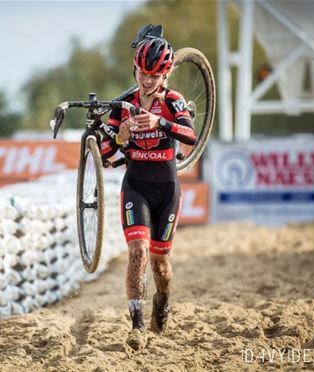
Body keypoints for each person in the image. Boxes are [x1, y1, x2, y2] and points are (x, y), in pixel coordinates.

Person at [100, 35, 197, 350]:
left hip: (167, 189)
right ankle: (137, 325)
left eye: (154, 75)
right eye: (142, 72)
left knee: (160, 265)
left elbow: (190, 136)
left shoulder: (173, 101)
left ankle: (163, 300)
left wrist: (161, 122)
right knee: (138, 252)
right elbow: (104, 154)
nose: (147, 79)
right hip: (136, 187)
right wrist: (119, 139)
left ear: (165, 75)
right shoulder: (123, 103)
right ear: (135, 69)